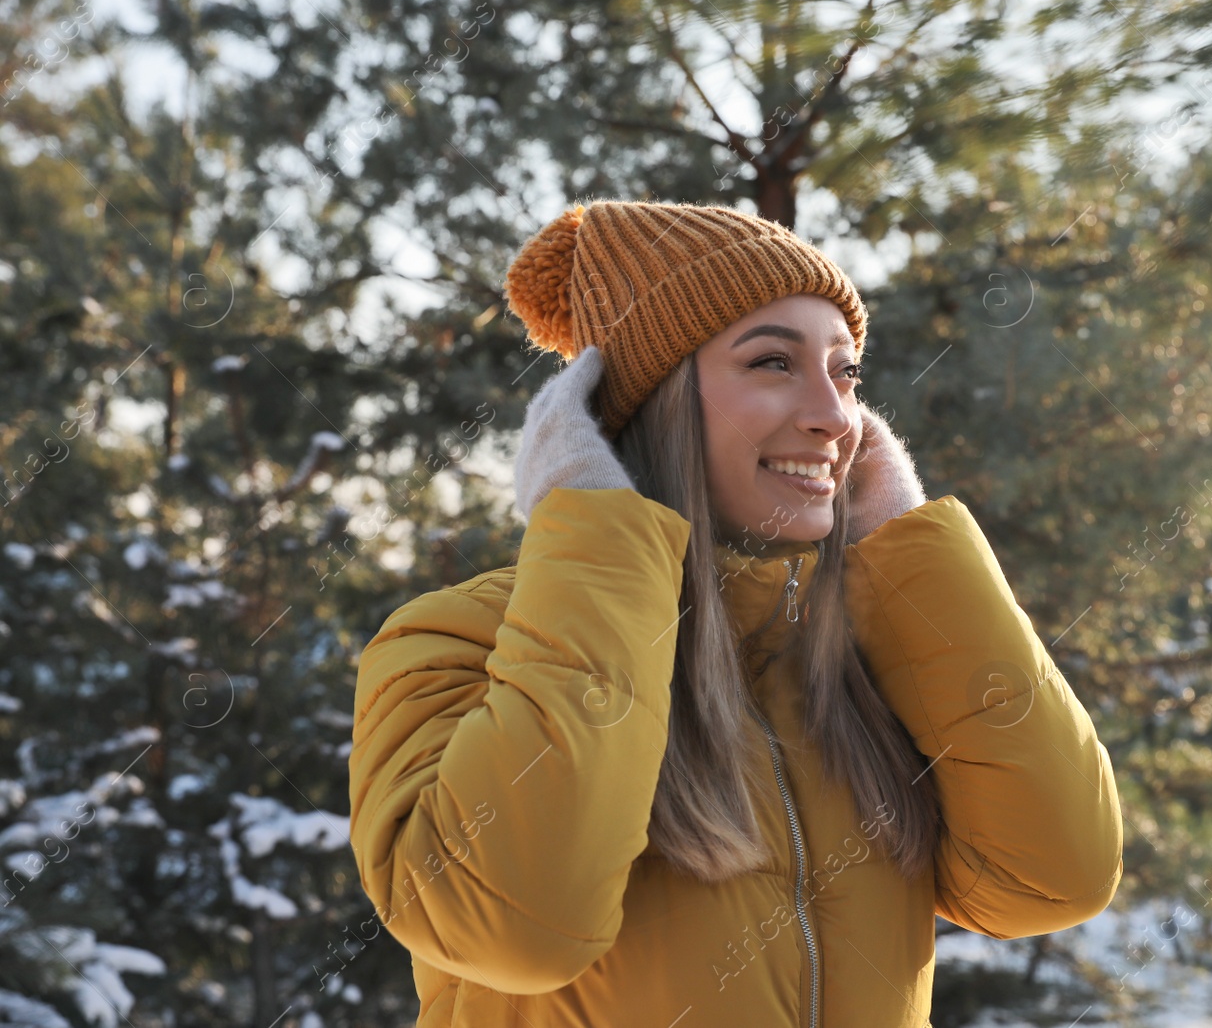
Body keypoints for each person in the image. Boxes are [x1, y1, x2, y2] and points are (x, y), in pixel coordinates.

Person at [347, 199, 1123, 1027]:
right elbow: (512, 926)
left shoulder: (860, 662)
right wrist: (597, 528)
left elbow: (1054, 877)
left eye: (846, 371)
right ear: (652, 401)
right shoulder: (453, 642)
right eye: (773, 363)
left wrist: (904, 546)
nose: (836, 414)